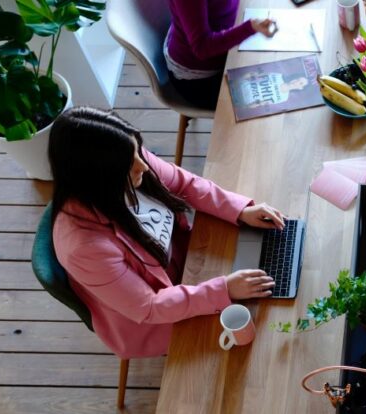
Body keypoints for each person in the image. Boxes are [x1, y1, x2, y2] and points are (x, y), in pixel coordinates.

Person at [49, 107, 287, 359]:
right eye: (131, 164)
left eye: (138, 151)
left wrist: (240, 210)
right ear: (98, 177)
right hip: (154, 318)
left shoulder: (126, 159)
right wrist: (223, 289)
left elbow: (184, 184)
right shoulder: (84, 248)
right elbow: (150, 306)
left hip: (190, 263)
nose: (144, 165)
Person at [165, 0, 277, 108]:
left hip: (227, 48)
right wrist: (249, 28)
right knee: (268, 103)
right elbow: (202, 47)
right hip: (200, 79)